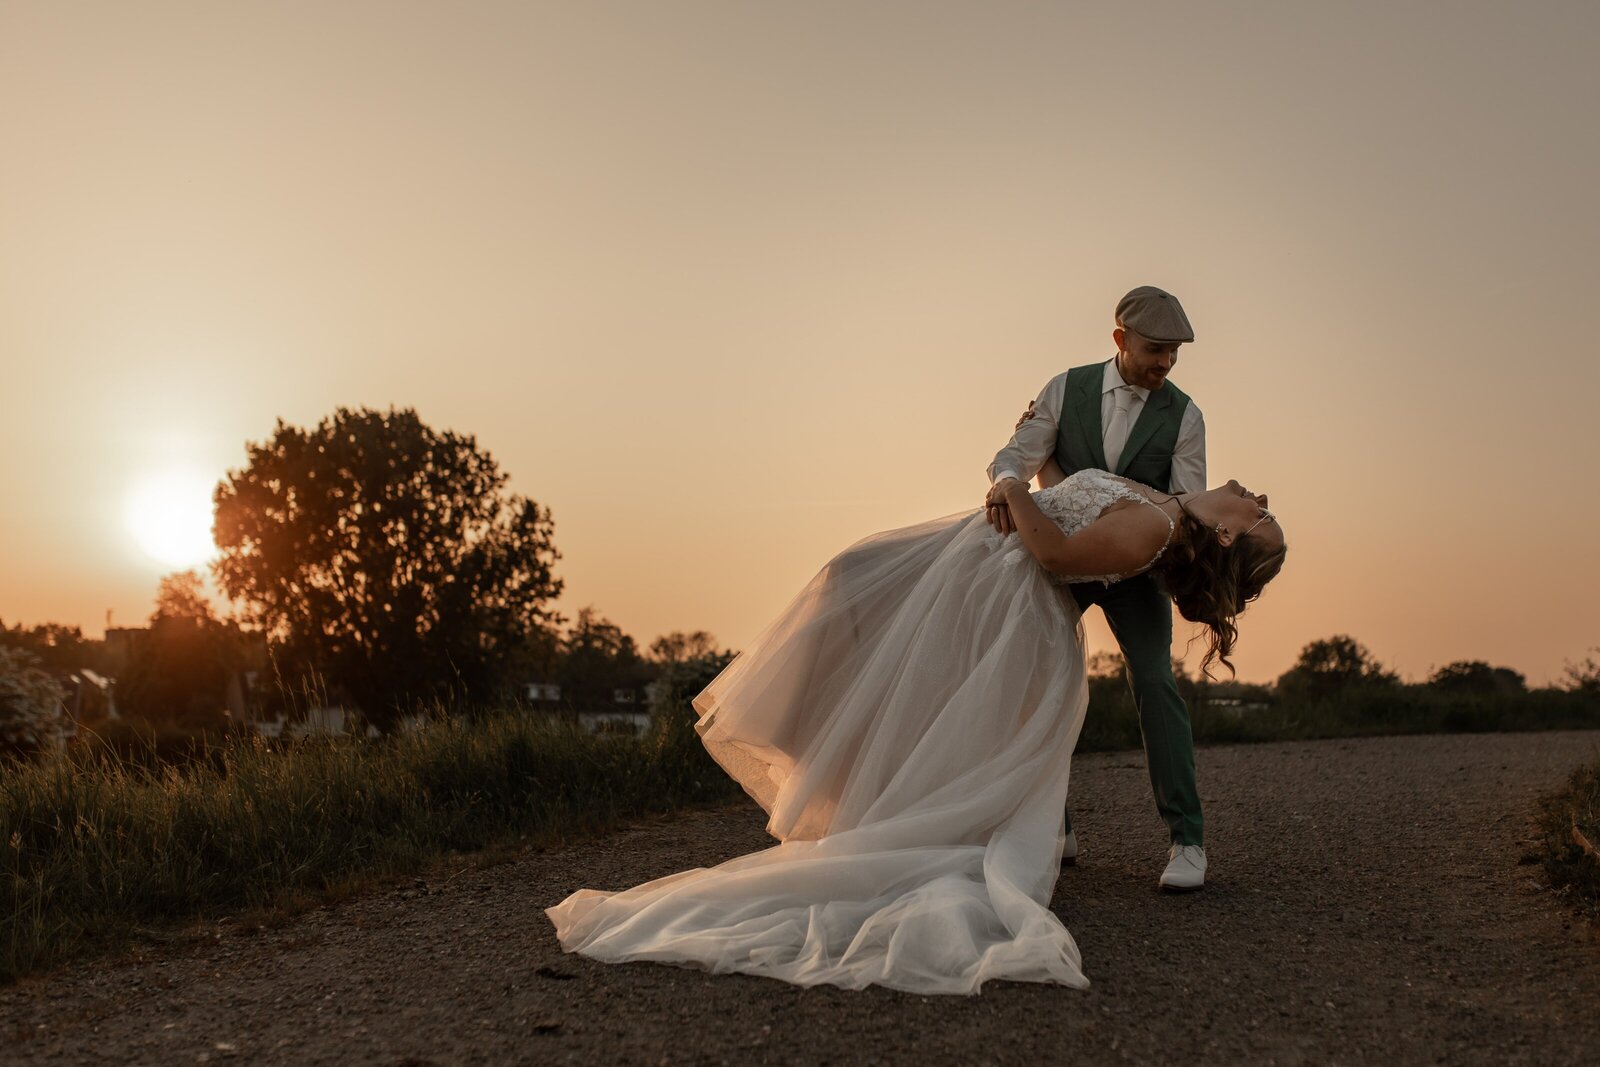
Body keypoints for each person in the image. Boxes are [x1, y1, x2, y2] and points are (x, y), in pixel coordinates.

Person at [545, 425, 1286, 992]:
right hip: (978, 564)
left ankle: (838, 787)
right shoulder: (1161, 505)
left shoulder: (1156, 527)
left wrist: (1014, 492)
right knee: (852, 592)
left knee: (861, 598)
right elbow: (1067, 487)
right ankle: (826, 766)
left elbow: (1056, 555)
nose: (1258, 495)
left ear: (1227, 535)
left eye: (1261, 514)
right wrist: (1017, 469)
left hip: (1003, 592)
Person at [985, 285, 1211, 889]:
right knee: (1039, 680)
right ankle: (1053, 830)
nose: (1164, 362)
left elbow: (1184, 508)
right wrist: (1006, 483)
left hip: (1136, 573)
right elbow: (1014, 455)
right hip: (1057, 560)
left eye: (1174, 353)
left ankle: (1187, 840)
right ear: (1121, 340)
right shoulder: (1066, 388)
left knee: (1156, 681)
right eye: (1155, 348)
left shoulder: (1186, 415)